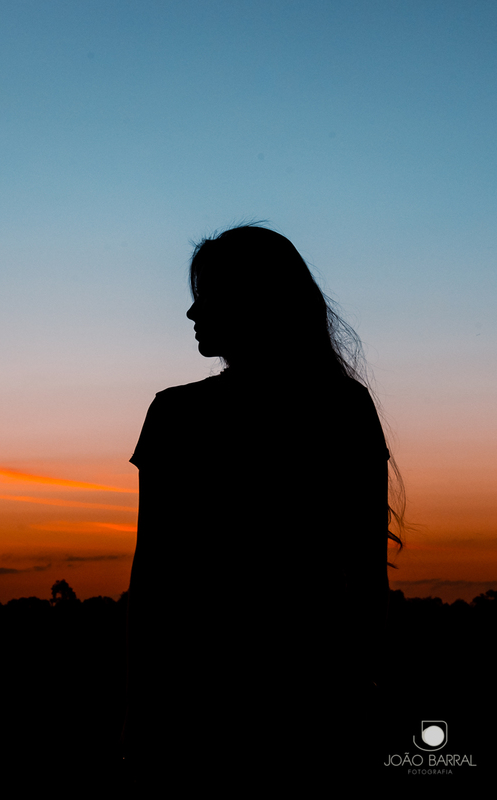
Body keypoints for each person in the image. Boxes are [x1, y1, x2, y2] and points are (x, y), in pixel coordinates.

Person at [124, 225, 398, 786]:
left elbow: (153, 577)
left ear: (253, 301)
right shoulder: (344, 408)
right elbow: (368, 580)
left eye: (207, 295)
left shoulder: (177, 416)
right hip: (315, 689)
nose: (191, 312)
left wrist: (142, 710)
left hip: (204, 693)